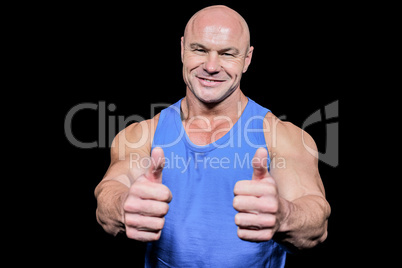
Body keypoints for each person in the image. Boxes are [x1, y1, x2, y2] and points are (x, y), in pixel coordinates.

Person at [95, 5, 331, 267]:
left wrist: (284, 215)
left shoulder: (282, 137)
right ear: (182, 48)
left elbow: (316, 219)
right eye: (199, 49)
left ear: (247, 59)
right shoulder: (142, 134)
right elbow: (109, 192)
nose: (211, 66)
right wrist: (124, 205)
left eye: (227, 54)